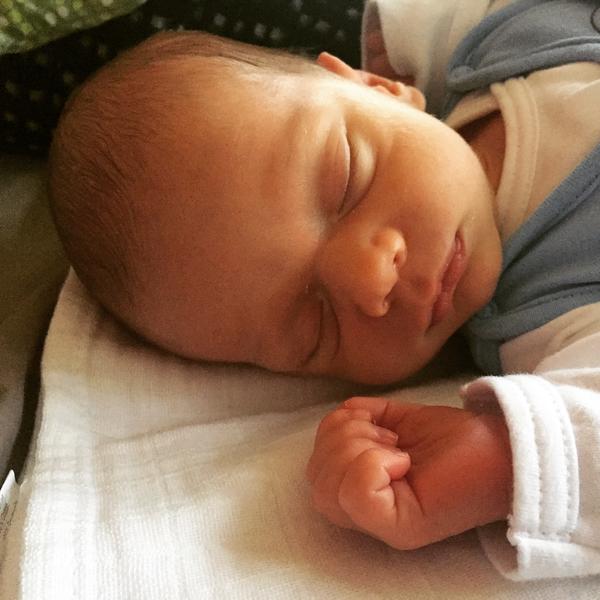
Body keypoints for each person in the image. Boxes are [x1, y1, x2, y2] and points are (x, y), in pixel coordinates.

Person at [47, 0, 600, 581]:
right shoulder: (548, 325)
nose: (374, 280)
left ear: (378, 85)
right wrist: (499, 460)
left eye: (346, 183)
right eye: (315, 325)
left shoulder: (497, 35)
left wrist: (398, 32)